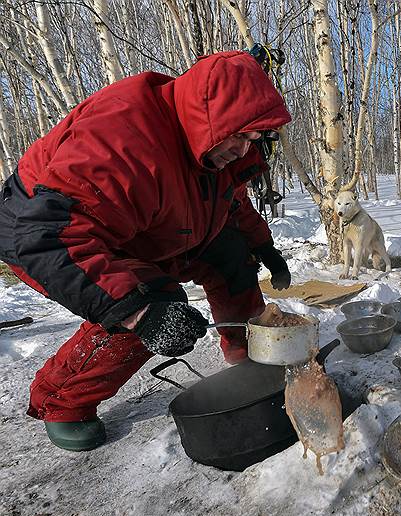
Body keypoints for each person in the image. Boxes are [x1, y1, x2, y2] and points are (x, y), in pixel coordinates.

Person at [0, 50, 293, 451]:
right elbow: (47, 234)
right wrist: (140, 313)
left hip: (150, 222)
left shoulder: (213, 143)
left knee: (230, 254)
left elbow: (230, 200)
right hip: (47, 232)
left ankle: (246, 354)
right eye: (240, 137)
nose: (244, 151)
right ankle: (61, 400)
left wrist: (262, 244)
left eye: (253, 140)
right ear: (210, 119)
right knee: (149, 303)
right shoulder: (123, 138)